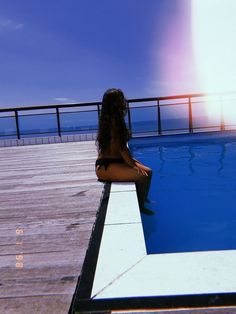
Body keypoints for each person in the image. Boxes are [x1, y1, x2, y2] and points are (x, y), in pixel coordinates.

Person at [95, 88, 154, 215]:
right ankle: (140, 206)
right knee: (144, 176)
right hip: (106, 167)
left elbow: (120, 148)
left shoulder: (109, 119)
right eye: (121, 99)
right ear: (116, 103)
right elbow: (122, 148)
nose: (124, 101)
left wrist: (133, 161)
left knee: (149, 172)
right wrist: (132, 165)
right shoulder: (114, 122)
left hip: (108, 164)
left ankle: (143, 198)